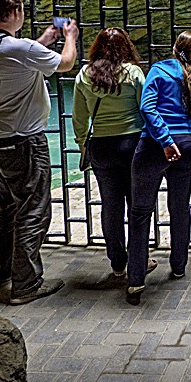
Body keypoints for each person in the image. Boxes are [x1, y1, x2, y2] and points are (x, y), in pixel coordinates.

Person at [0, 0, 78, 304]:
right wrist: (69, 37)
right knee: (33, 209)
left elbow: (19, 61)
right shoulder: (21, 48)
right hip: (24, 140)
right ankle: (27, 284)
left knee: (7, 209)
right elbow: (66, 63)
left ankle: (4, 274)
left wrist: (44, 41)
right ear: (15, 13)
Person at [125, 32, 191, 305]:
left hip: (154, 146)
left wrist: (165, 140)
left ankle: (136, 280)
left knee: (140, 213)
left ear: (174, 48)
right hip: (186, 145)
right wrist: (185, 140)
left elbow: (147, 107)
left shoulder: (159, 71)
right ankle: (179, 265)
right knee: (180, 208)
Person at [71, 27, 147, 286]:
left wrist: (83, 145)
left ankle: (117, 262)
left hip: (101, 146)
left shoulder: (84, 75)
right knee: (137, 206)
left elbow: (79, 118)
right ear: (126, 47)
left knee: (110, 206)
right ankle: (139, 260)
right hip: (132, 144)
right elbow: (145, 109)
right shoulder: (133, 73)